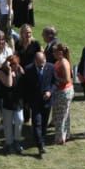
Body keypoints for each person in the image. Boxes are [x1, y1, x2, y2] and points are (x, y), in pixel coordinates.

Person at [17, 26, 50, 155]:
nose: (28, 35)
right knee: (28, 100)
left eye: (30, 33)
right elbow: (16, 56)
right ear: (21, 34)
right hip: (24, 73)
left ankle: (38, 137)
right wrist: (19, 67)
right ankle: (27, 119)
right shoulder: (18, 44)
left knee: (40, 116)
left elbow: (42, 55)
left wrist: (41, 64)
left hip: (36, 71)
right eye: (25, 33)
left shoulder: (36, 44)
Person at [50, 41, 75, 146]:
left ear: (60, 52)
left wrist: (55, 77)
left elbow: (67, 79)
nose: (53, 54)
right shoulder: (59, 61)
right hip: (62, 91)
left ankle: (60, 138)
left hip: (64, 92)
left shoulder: (64, 63)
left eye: (54, 52)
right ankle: (66, 135)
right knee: (64, 114)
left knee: (61, 116)